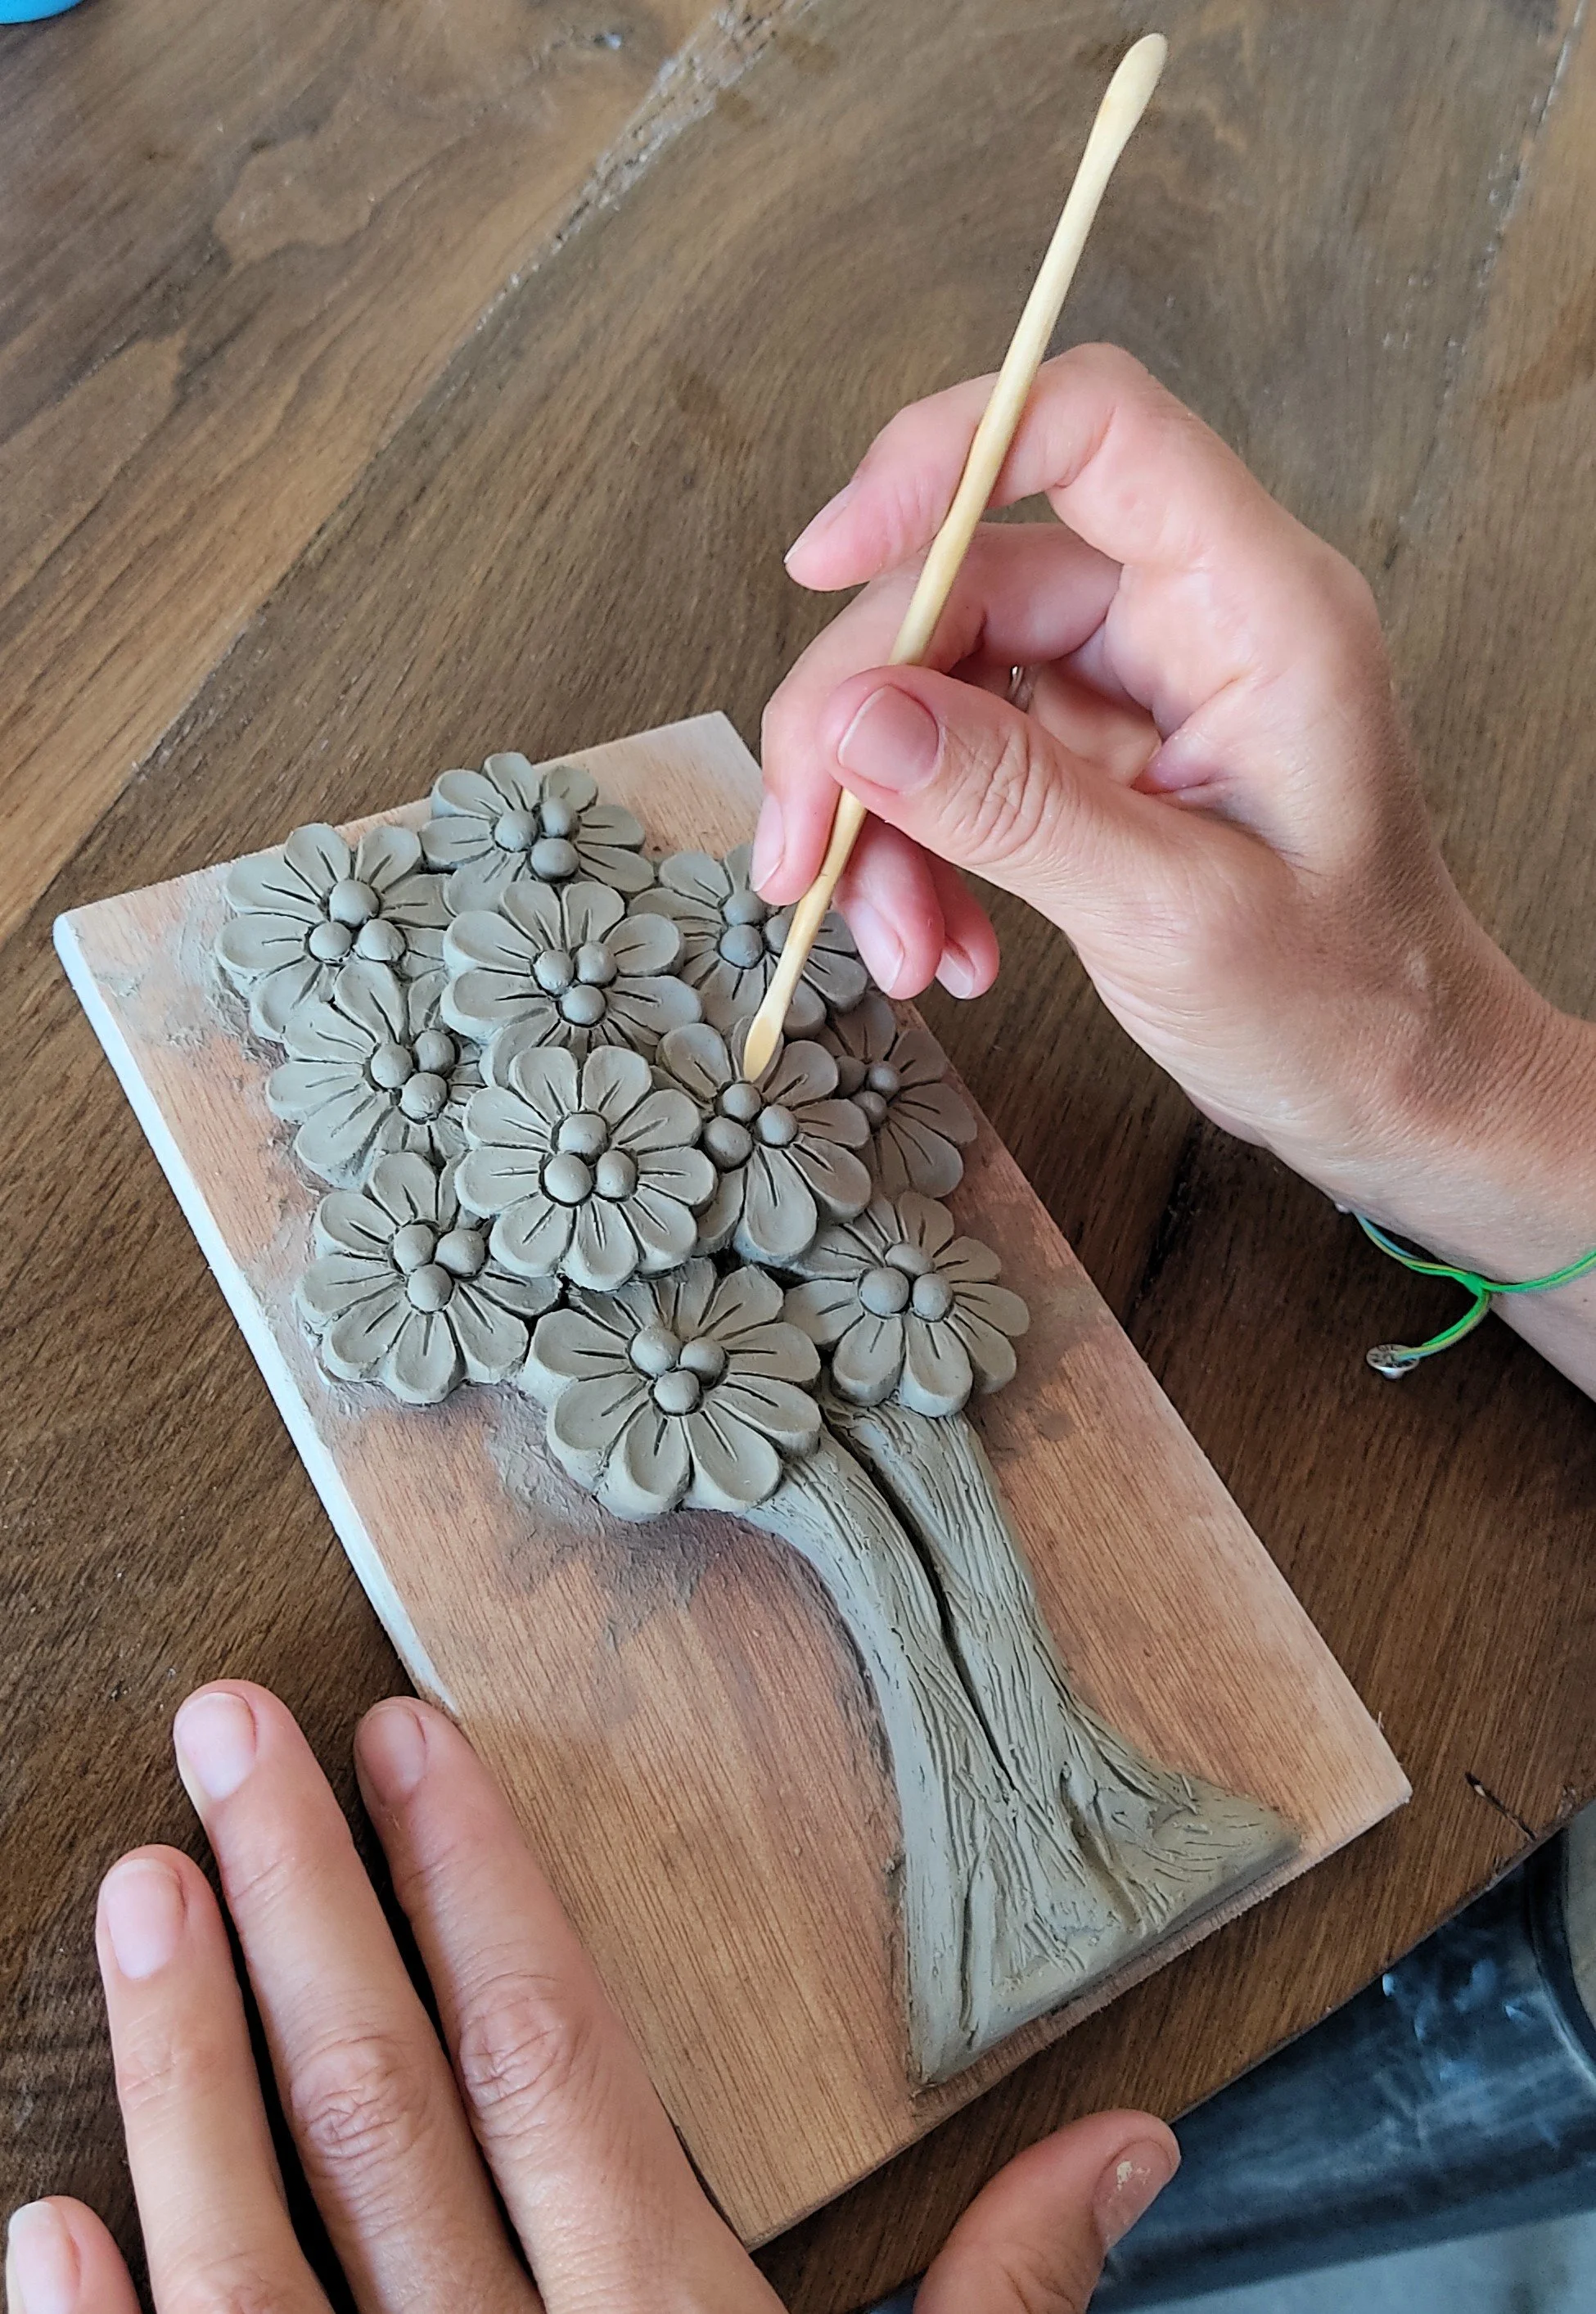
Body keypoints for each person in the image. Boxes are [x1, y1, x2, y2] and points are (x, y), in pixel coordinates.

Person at [9, 343, 1593, 2314]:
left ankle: (1058, 1850)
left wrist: (1444, 1074)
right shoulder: (471, 1139)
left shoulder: (739, 1120)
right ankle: (1030, 1870)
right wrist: (1448, 1086)